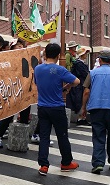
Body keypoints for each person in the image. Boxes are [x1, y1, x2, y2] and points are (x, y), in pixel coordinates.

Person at [33, 43, 80, 176]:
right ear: (58, 56)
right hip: (57, 107)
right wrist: (66, 87)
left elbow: (37, 82)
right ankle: (66, 162)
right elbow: (76, 81)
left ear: (45, 54)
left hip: (42, 107)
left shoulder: (37, 69)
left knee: (44, 136)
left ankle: (43, 165)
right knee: (62, 136)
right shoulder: (60, 70)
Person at [80, 49, 110, 174]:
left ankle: (98, 163)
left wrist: (83, 107)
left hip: (95, 107)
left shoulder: (92, 73)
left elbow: (86, 91)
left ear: (99, 60)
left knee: (98, 135)